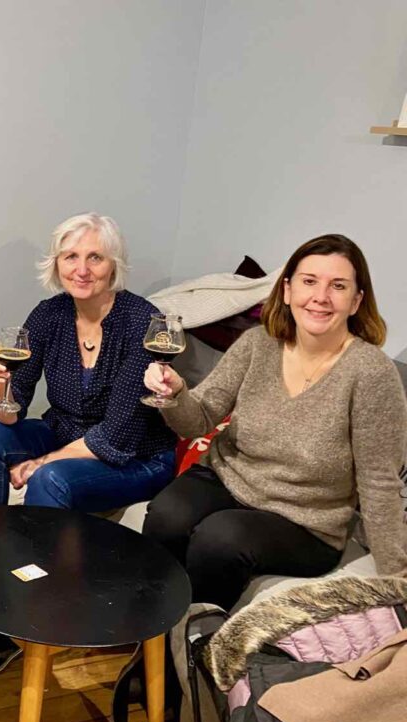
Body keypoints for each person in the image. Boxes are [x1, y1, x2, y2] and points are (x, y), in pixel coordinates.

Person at [0, 212, 177, 678]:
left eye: (95, 257)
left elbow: (118, 433)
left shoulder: (141, 321)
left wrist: (43, 461)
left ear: (113, 264)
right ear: (55, 263)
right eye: (70, 257)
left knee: (52, 479)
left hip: (138, 456)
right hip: (66, 433)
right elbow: (8, 413)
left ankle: (25, 616)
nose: (81, 269)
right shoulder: (50, 315)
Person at [142, 234, 407, 610]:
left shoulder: (371, 373)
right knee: (167, 514)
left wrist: (396, 577)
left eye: (338, 286)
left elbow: (379, 481)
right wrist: (176, 393)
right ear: (287, 290)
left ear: (356, 301)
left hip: (305, 521)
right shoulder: (257, 344)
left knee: (219, 538)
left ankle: (192, 638)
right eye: (309, 281)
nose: (320, 296)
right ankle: (148, 620)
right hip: (227, 479)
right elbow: (198, 421)